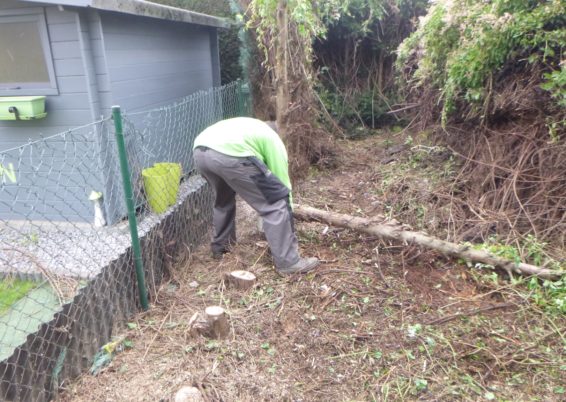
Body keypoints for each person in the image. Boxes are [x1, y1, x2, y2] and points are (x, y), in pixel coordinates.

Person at [193, 117, 320, 275]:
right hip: (230, 153)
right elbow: (281, 187)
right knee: (276, 204)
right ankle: (289, 262)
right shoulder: (273, 140)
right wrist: (287, 209)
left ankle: (222, 248)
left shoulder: (251, 128)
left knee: (223, 201)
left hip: (200, 151)